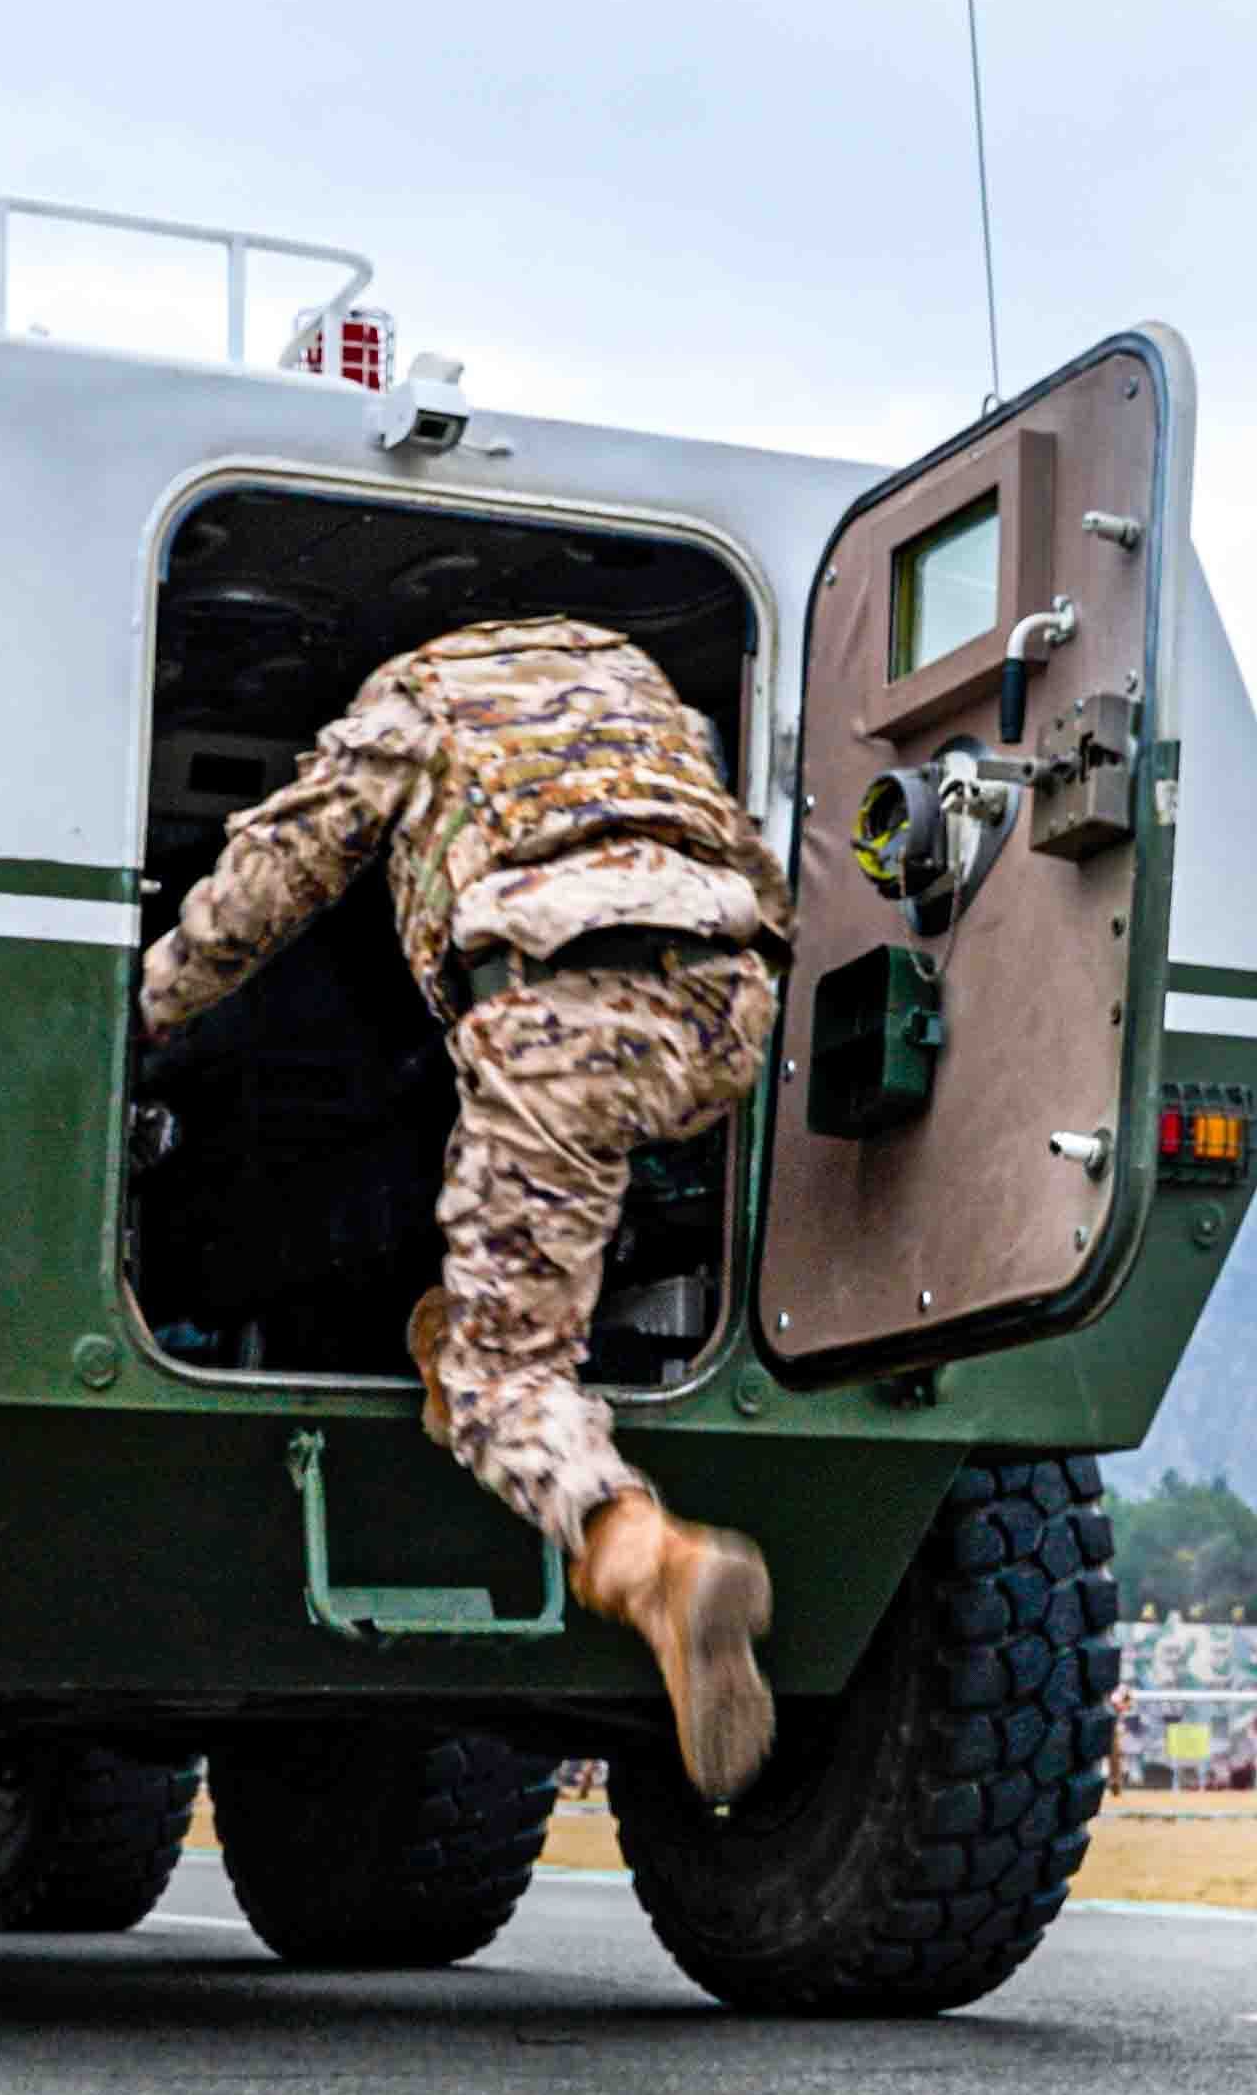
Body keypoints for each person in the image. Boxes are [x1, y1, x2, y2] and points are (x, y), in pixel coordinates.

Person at [138, 620, 790, 1792]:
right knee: (554, 1195)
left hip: (561, 1023)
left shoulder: (410, 702)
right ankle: (467, 1316)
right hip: (727, 1010)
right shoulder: (642, 690)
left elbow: (267, 885)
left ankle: (646, 1560)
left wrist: (144, 1014)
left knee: (506, 1376)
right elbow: (754, 861)